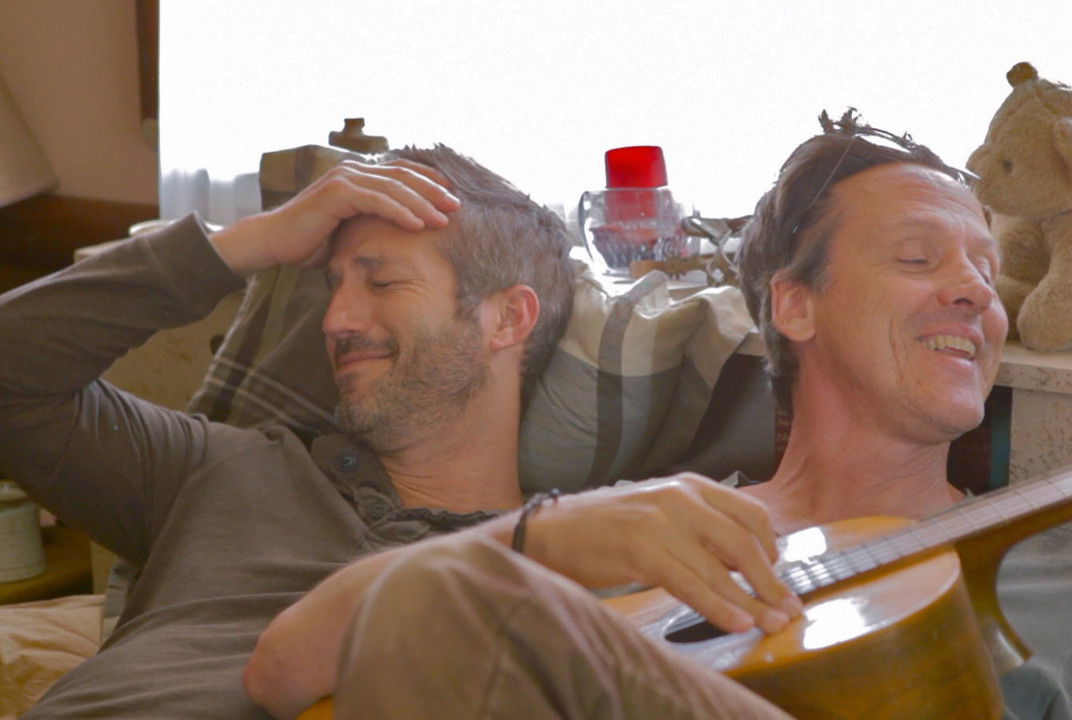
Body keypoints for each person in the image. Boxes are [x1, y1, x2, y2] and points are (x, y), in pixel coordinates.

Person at [247, 112, 1072, 720]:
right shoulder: (641, 529)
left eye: (985, 269)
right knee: (431, 592)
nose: (974, 293)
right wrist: (542, 538)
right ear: (793, 306)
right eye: (918, 259)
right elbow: (284, 670)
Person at [0, 145, 800, 719]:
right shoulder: (223, 467)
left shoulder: (580, 569)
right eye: (331, 288)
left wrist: (535, 545)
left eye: (381, 282)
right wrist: (256, 240)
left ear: (506, 319)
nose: (337, 320)